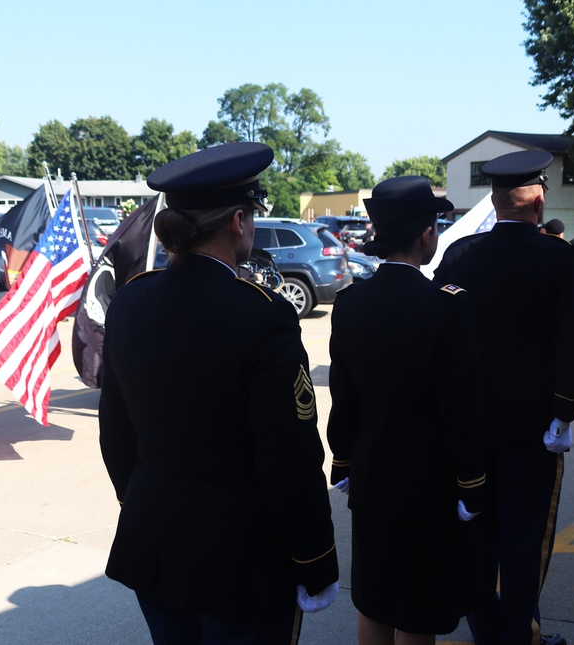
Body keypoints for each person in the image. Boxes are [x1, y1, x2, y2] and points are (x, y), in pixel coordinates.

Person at [98, 142, 339, 645]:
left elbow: (115, 430)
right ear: (238, 221)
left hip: (154, 543)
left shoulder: (130, 299)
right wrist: (315, 559)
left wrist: (143, 502)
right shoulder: (262, 313)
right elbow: (290, 456)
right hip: (240, 562)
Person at [434, 150, 574, 645]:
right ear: (539, 200)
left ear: (496, 200)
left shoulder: (460, 256)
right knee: (524, 542)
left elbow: (440, 342)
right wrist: (563, 414)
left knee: (477, 539)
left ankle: (487, 630)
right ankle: (517, 635)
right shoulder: (562, 260)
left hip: (471, 428)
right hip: (532, 430)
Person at [326, 176, 486, 645]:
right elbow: (460, 406)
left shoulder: (351, 302)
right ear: (426, 235)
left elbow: (344, 394)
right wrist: (470, 481)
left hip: (373, 474)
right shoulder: (446, 307)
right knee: (418, 606)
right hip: (427, 481)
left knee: (374, 598)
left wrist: (344, 460)